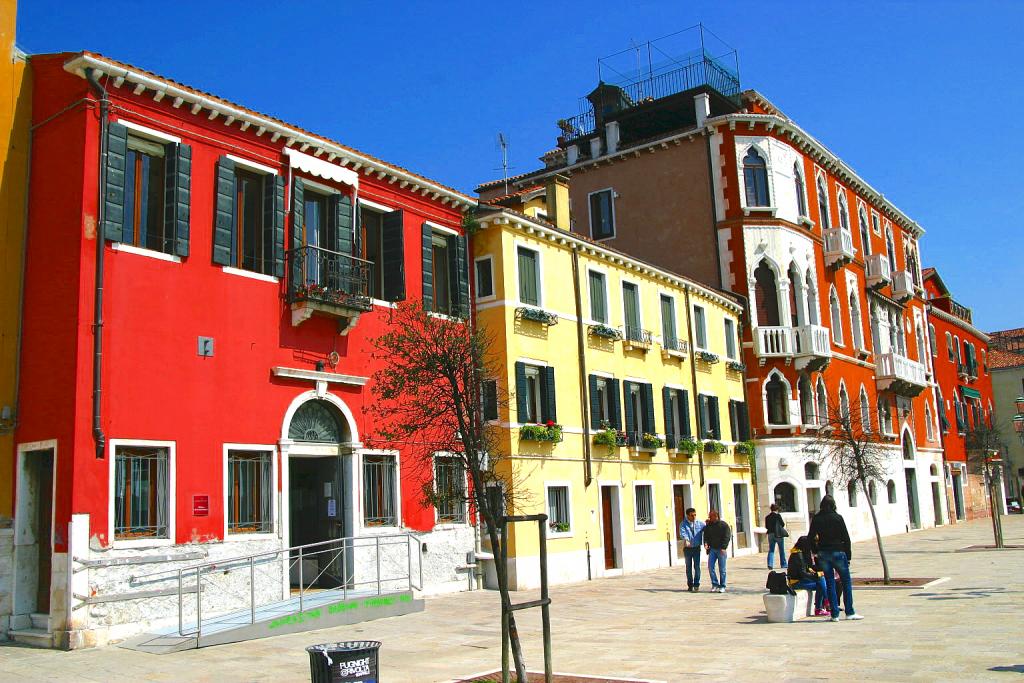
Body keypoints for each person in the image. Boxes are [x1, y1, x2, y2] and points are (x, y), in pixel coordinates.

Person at [808, 494, 863, 621]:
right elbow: (846, 538)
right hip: (838, 552)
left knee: (830, 582)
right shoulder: (838, 518)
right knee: (846, 582)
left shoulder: (817, 518)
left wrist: (815, 551)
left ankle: (834, 614)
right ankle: (849, 612)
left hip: (824, 553)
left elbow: (810, 537)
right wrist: (848, 556)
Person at [787, 535, 828, 616]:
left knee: (821, 579)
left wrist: (818, 572)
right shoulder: (798, 556)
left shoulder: (801, 553)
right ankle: (822, 605)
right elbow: (802, 573)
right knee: (820, 582)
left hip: (801, 579)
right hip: (796, 582)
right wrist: (816, 575)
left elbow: (807, 567)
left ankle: (823, 604)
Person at [703, 509, 732, 593]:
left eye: (711, 517)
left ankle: (722, 585)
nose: (709, 518)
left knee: (722, 569)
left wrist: (724, 547)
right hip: (712, 549)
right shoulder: (708, 526)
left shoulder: (724, 525)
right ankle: (715, 584)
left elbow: (727, 536)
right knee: (710, 567)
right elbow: (706, 536)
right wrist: (706, 543)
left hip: (721, 549)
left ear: (716, 516)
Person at [678, 507, 705, 592]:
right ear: (687, 516)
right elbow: (682, 533)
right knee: (688, 567)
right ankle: (690, 584)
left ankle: (696, 584)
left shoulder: (699, 523)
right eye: (692, 515)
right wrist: (686, 540)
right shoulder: (683, 524)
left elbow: (706, 528)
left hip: (696, 548)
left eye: (695, 515)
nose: (694, 517)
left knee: (697, 567)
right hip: (688, 549)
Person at [764, 503, 787, 570]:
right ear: (777, 509)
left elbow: (767, 526)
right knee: (781, 550)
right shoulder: (778, 516)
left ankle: (770, 564)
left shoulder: (767, 517)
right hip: (778, 534)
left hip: (770, 534)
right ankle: (783, 564)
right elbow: (782, 524)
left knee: (771, 550)